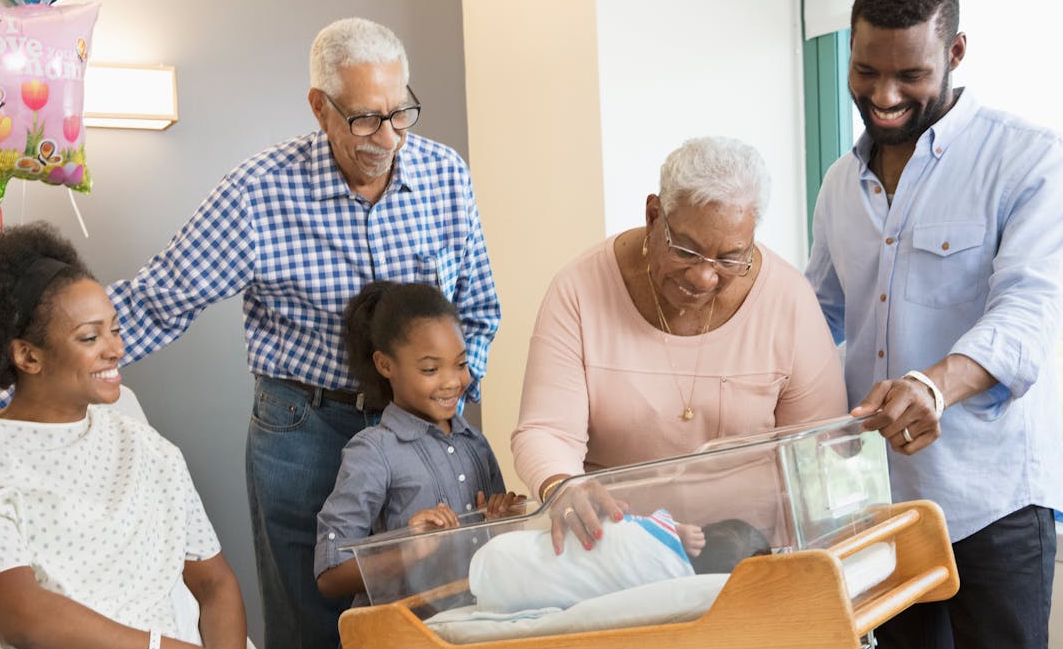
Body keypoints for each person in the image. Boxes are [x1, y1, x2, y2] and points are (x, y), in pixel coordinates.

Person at [0, 18, 501, 649]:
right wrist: (12, 394)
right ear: (320, 108)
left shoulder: (444, 174)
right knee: (307, 631)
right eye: (365, 120)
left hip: (417, 431)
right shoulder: (259, 193)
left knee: (430, 610)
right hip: (305, 427)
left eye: (399, 115)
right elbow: (154, 302)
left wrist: (441, 400)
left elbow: (478, 306)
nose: (388, 139)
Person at [805, 0, 1063, 649]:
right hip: (880, 507)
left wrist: (932, 384)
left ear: (954, 52)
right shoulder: (839, 185)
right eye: (865, 72)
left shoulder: (1027, 158)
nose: (883, 95)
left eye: (909, 75)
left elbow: (1029, 310)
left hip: (993, 499)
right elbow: (819, 317)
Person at [0, 222, 270, 649]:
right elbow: (25, 621)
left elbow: (215, 585)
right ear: (27, 355)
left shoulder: (150, 450)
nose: (115, 349)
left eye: (115, 328)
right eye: (90, 337)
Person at [511, 136, 848, 553]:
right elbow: (547, 431)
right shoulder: (579, 289)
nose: (704, 277)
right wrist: (561, 485)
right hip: (622, 552)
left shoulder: (788, 299)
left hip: (756, 556)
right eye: (686, 250)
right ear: (654, 215)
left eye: (730, 259)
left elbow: (820, 452)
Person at [314, 280, 520, 602]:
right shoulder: (373, 451)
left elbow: (495, 552)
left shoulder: (475, 443)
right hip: (408, 640)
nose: (453, 381)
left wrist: (503, 525)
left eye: (461, 364)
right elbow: (330, 575)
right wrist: (409, 551)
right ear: (385, 365)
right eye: (430, 369)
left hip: (480, 627)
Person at [469, 510, 769, 614]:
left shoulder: (676, 578)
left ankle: (497, 580)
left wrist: (672, 528)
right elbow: (625, 533)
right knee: (553, 562)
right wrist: (673, 531)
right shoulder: (664, 556)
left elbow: (637, 528)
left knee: (547, 569)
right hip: (512, 563)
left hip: (503, 557)